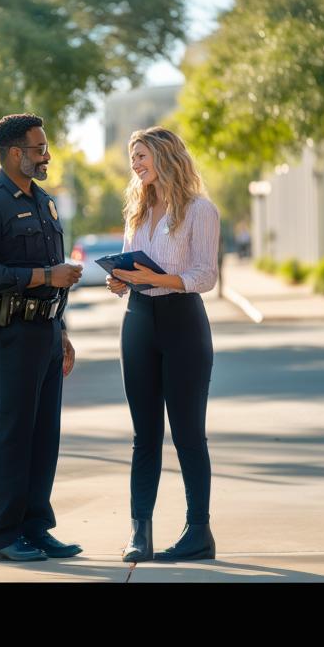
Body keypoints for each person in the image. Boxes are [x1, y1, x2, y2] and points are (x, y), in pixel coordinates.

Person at [0, 113, 85, 562]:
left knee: (43, 437)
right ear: (15, 153)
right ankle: (1, 537)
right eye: (38, 149)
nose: (46, 155)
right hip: (11, 336)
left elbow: (56, 278)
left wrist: (62, 331)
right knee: (11, 436)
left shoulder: (44, 202)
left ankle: (34, 528)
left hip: (46, 333)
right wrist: (46, 274)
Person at [106, 126, 220, 563]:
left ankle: (198, 532)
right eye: (132, 158)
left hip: (182, 323)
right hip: (137, 320)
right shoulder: (136, 209)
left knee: (188, 433)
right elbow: (130, 265)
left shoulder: (199, 210)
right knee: (144, 435)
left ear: (165, 155)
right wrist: (120, 281)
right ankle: (140, 532)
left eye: (141, 156)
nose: (135, 165)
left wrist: (156, 278)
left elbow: (205, 276)